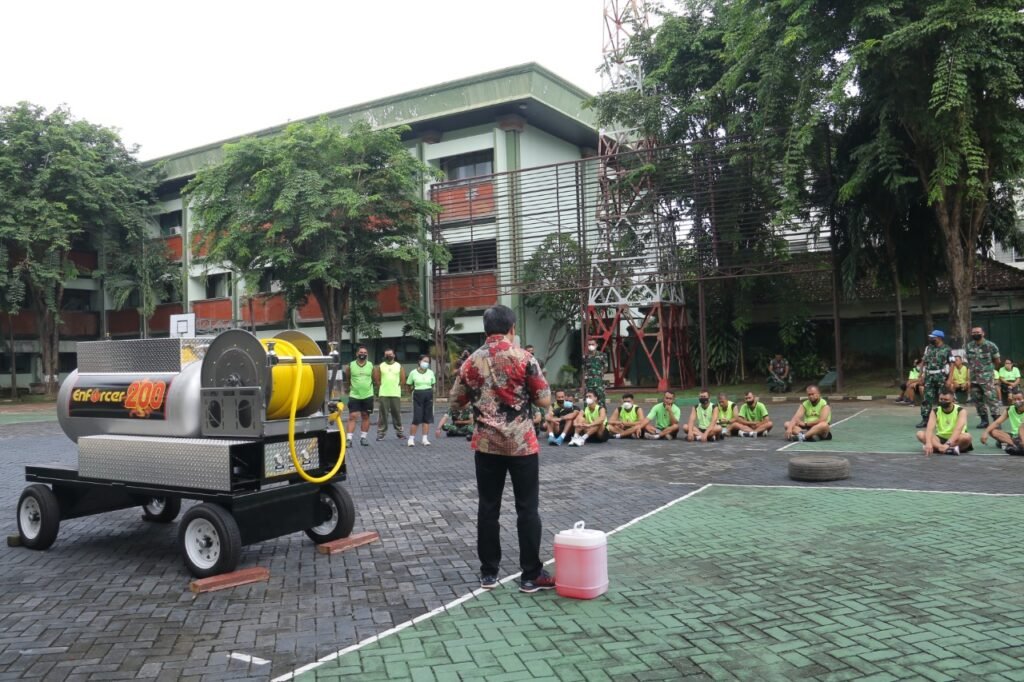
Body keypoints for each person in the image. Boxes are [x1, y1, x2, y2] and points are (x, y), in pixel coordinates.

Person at [449, 304, 554, 593]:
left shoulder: (471, 362)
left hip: (486, 445)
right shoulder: (525, 358)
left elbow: (455, 401)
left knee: (488, 508)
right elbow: (544, 400)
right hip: (522, 445)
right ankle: (531, 574)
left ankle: (488, 573)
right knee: (527, 509)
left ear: (485, 329)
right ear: (512, 328)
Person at [916, 388, 972, 456]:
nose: (943, 401)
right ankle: (948, 450)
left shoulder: (961, 411)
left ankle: (937, 448)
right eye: (941, 399)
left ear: (953, 400)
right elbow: (929, 429)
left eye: (946, 400)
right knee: (920, 434)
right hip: (940, 439)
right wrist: (928, 442)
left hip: (956, 439)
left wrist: (947, 444)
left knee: (967, 437)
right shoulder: (935, 411)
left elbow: (958, 430)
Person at [965, 326, 1001, 428]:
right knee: (977, 399)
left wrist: (988, 371)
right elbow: (969, 361)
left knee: (991, 399)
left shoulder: (990, 345)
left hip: (987, 379)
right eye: (973, 332)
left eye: (978, 332)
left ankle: (997, 421)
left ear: (983, 333)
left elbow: (997, 361)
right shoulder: (969, 346)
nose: (975, 334)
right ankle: (984, 421)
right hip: (974, 378)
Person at [917, 330, 950, 428]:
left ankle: (941, 419)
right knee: (927, 398)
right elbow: (923, 362)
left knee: (942, 398)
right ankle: (925, 419)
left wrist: (950, 379)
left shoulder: (947, 349)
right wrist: (920, 375)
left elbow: (952, 364)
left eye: (933, 337)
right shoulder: (928, 348)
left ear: (939, 338)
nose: (931, 339)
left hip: (941, 375)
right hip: (929, 376)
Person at [346, 345, 375, 447]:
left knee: (365, 415)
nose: (363, 354)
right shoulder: (351, 365)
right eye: (361, 352)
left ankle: (363, 438)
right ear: (357, 354)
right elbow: (348, 378)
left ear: (367, 354)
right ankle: (349, 439)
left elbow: (374, 378)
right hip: (354, 395)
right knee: (352, 416)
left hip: (368, 395)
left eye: (365, 353)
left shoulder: (371, 365)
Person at [980, 388, 1024, 455]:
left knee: (1022, 427)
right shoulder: (1010, 409)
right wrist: (985, 432)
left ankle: (1009, 445)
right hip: (1014, 436)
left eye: (1019, 399)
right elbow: (997, 422)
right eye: (1014, 399)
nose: (1017, 401)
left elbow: (1022, 428)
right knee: (993, 431)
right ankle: (1014, 446)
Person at [374, 349, 405, 441]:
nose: (389, 356)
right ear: (384, 356)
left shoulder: (399, 366)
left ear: (394, 355)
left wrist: (397, 387)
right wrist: (382, 387)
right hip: (384, 394)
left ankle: (399, 433)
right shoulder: (380, 366)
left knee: (397, 413)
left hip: (395, 393)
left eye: (390, 354)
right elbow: (377, 380)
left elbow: (403, 380)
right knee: (383, 414)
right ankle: (381, 433)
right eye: (387, 355)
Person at [406, 355, 436, 446]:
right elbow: (409, 385)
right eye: (424, 361)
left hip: (428, 395)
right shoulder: (413, 372)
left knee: (427, 418)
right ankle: (411, 439)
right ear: (419, 361)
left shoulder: (430, 372)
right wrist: (411, 392)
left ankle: (425, 439)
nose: (426, 363)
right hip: (417, 395)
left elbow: (432, 384)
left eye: (428, 362)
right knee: (417, 418)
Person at [583, 340, 608, 406]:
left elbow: (605, 368)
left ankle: (602, 412)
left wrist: (599, 374)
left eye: (592, 344)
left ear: (596, 345)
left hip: (599, 382)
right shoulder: (585, 357)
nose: (591, 346)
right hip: (589, 383)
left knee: (601, 401)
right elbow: (584, 369)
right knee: (588, 400)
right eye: (589, 344)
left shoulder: (602, 355)